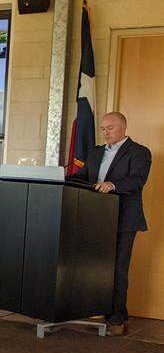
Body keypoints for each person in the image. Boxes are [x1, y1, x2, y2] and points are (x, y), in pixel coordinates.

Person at [68, 111, 151, 336]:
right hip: (97, 218)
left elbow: (137, 179)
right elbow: (82, 176)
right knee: (96, 267)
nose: (106, 133)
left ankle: (117, 318)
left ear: (123, 127)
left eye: (110, 128)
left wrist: (112, 184)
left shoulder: (139, 152)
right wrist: (56, 178)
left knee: (117, 269)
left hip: (124, 219)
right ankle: (96, 309)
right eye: (103, 129)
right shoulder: (96, 152)